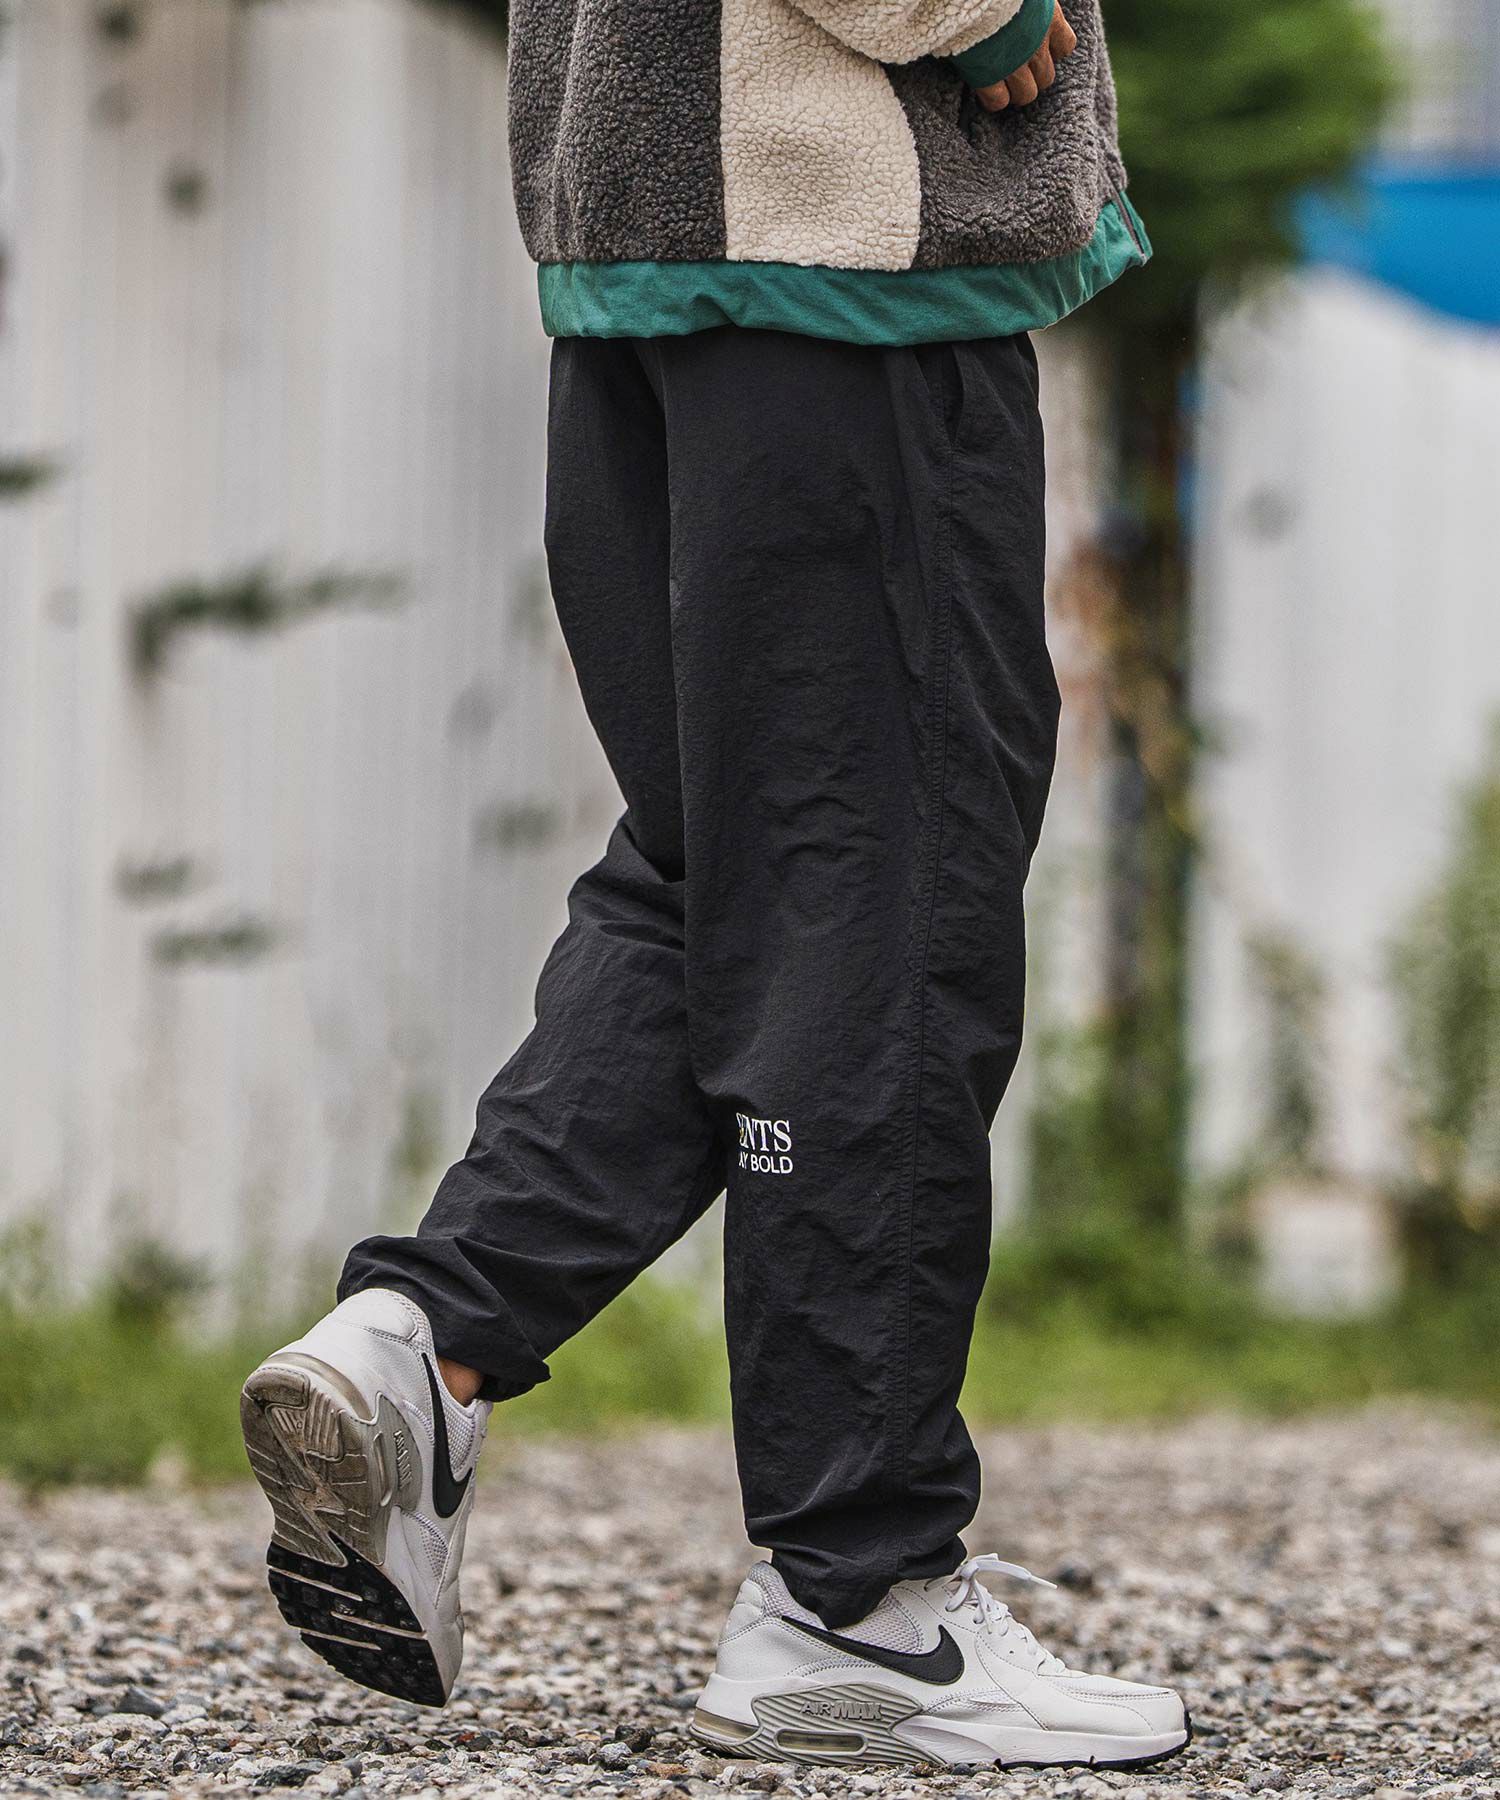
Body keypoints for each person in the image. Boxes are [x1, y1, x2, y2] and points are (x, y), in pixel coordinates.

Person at [240, 0, 1190, 1770]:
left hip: (649, 261)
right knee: (887, 918)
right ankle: (859, 1604)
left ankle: (423, 1348)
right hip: (834, 273)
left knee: (734, 880)